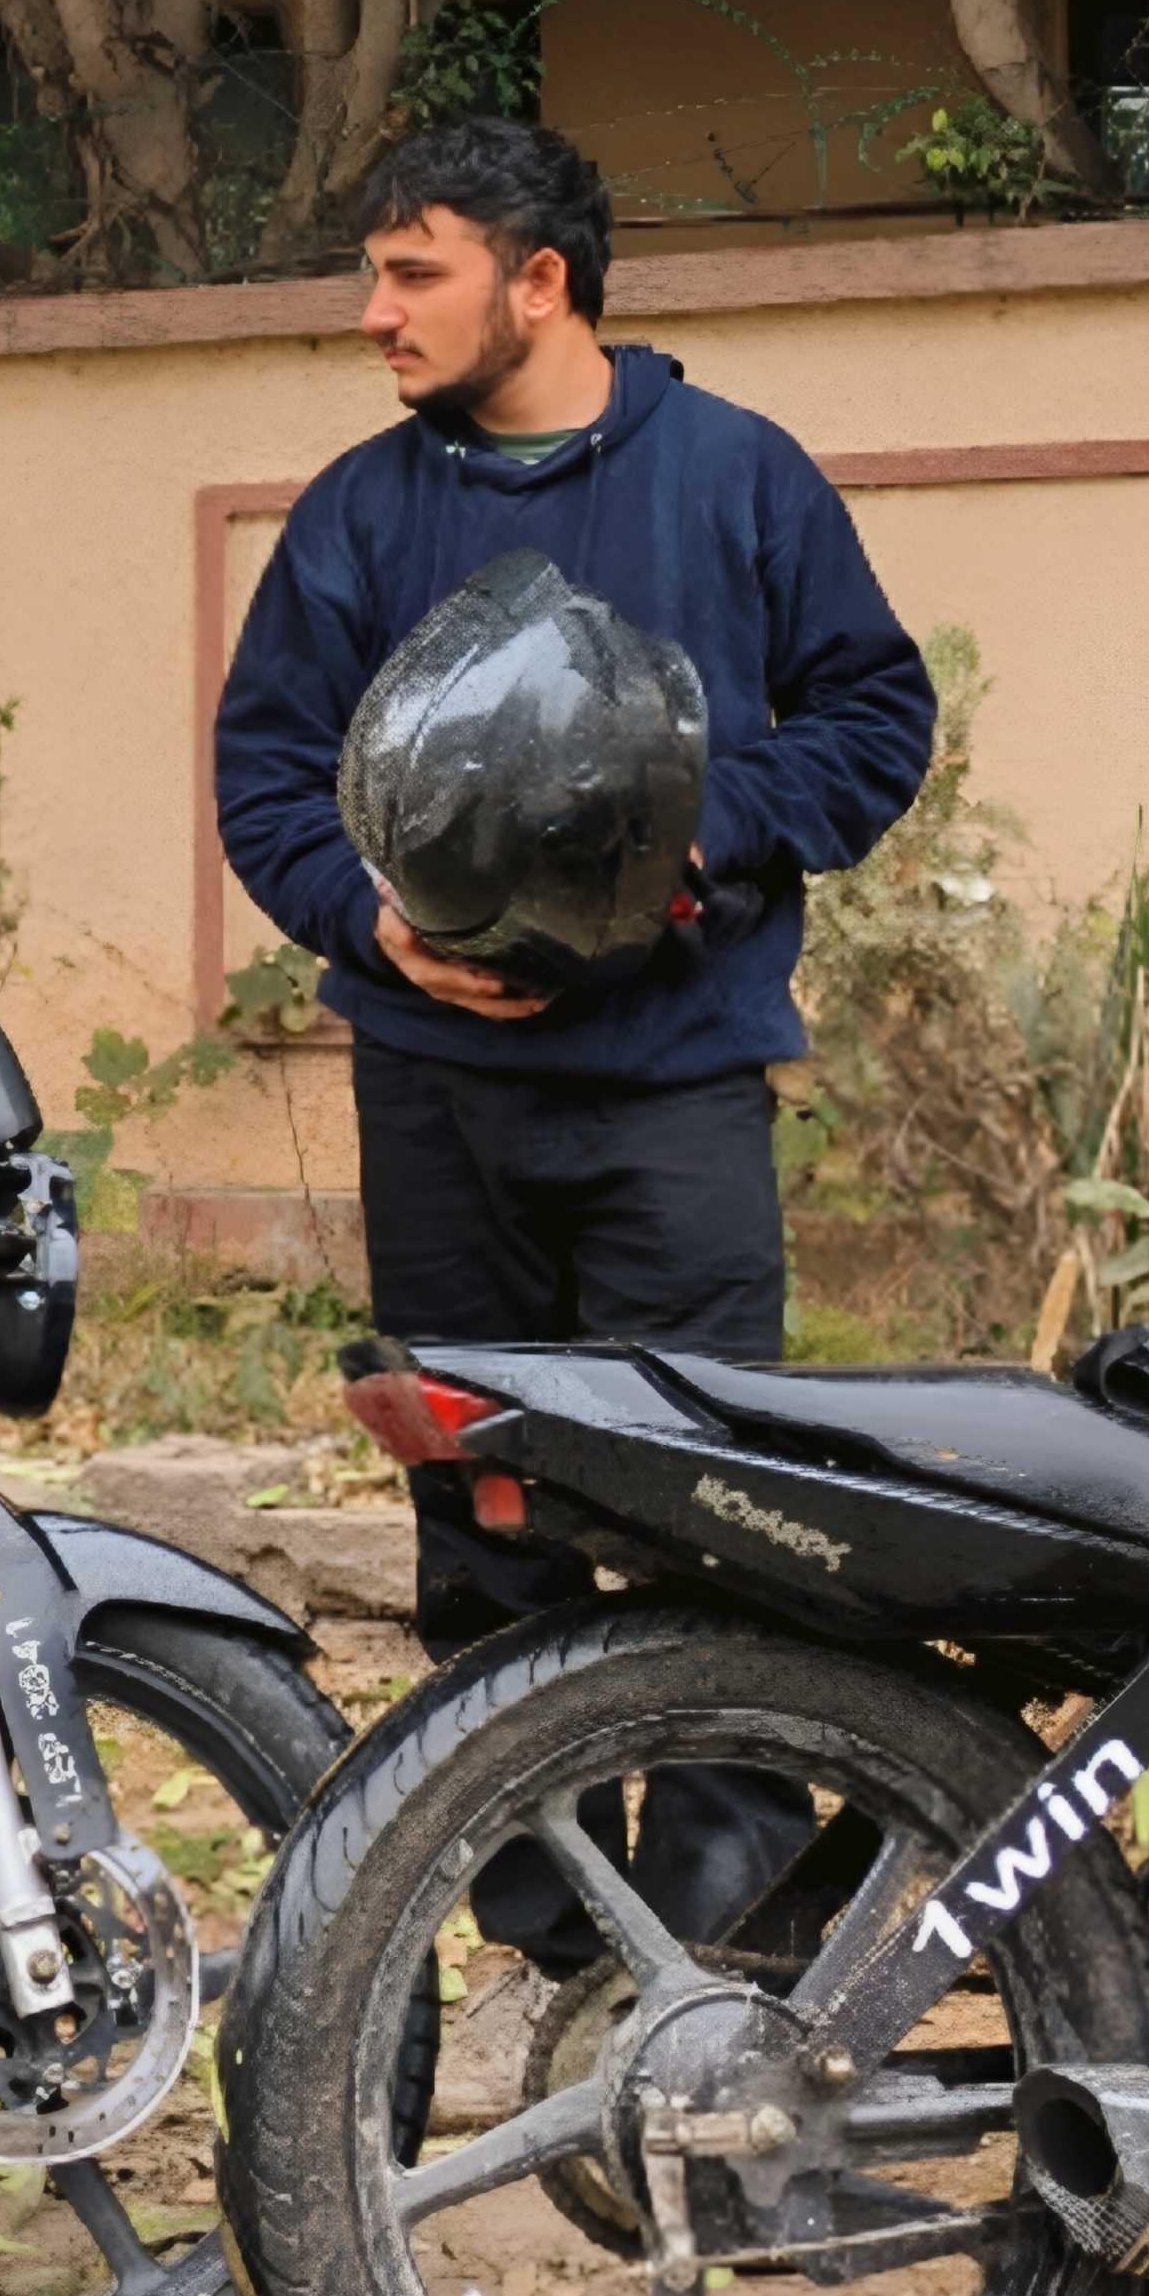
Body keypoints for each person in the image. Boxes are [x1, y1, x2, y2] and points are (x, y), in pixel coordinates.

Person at [214, 114, 935, 1959]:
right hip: (436, 1088)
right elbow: (270, 776)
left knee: (723, 1500)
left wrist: (706, 829)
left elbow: (874, 718)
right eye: (374, 272)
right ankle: (541, 1910)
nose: (373, 311)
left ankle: (739, 1910)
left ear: (538, 283)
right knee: (483, 1510)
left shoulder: (738, 477)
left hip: (676, 1084)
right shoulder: (359, 514)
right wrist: (368, 919)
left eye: (412, 272)